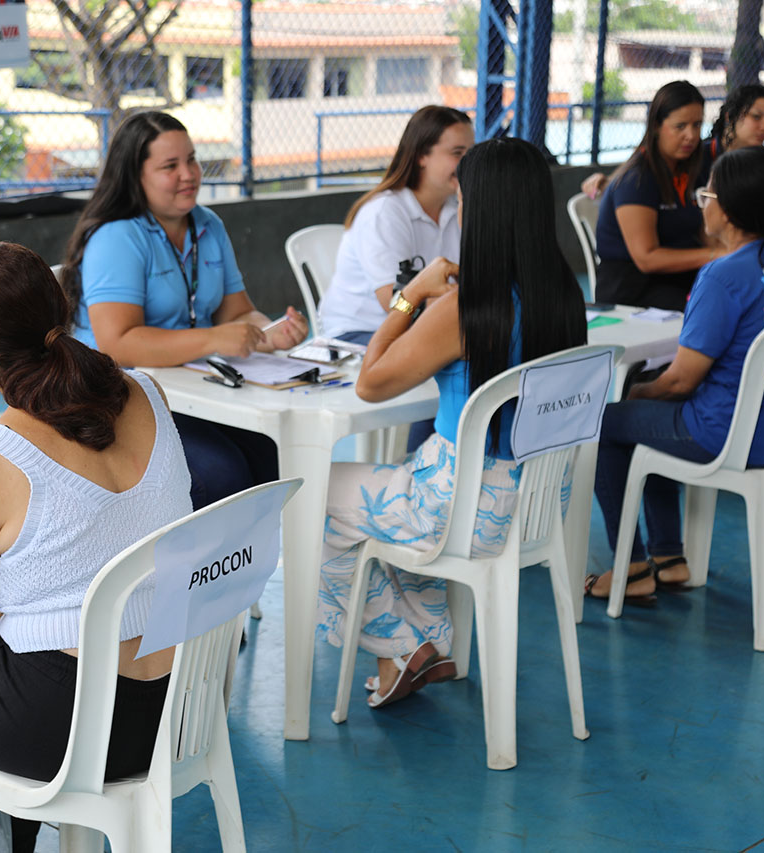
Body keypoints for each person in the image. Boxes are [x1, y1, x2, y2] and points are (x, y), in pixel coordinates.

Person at [0, 241, 192, 851]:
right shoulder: (148, 394)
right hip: (177, 709)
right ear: (62, 309)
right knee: (11, 663)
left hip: (71, 731)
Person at [316, 138, 588, 708]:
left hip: (462, 507)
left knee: (315, 499)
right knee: (392, 488)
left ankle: (398, 642)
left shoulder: (466, 309)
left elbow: (371, 381)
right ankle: (430, 647)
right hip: (534, 502)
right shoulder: (563, 296)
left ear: (482, 209)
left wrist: (409, 297)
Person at [584, 146, 764, 606]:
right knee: (648, 417)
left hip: (723, 433)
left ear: (728, 209)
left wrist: (634, 392)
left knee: (603, 423)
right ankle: (669, 559)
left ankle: (633, 569)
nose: (702, 203)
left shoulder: (723, 275)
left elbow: (680, 382)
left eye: (706, 193)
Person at [60, 111, 308, 510]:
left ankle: (241, 572)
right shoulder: (117, 236)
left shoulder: (207, 224)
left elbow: (238, 313)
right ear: (135, 176)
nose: (188, 174)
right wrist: (214, 338)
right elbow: (117, 343)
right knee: (221, 475)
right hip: (123, 399)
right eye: (169, 166)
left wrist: (269, 333)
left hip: (192, 392)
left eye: (191, 160)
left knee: (272, 455)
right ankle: (196, 573)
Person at [583, 84, 764, 241]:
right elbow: (644, 178)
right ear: (731, 117)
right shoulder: (694, 156)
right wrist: (604, 179)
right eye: (756, 117)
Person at [317, 105, 473, 344]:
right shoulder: (384, 212)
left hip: (421, 328)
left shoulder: (459, 207)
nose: (468, 164)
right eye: (457, 153)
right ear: (422, 155)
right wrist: (471, 303)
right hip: (359, 334)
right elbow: (396, 302)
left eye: (471, 154)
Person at [591, 80, 718, 311]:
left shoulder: (690, 171)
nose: (691, 135)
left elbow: (705, 232)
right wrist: (715, 254)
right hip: (632, 291)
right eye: (680, 126)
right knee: (711, 310)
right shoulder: (637, 180)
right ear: (657, 126)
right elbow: (647, 258)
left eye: (697, 125)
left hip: (677, 281)